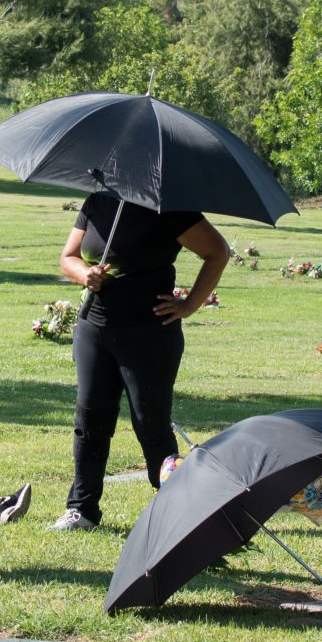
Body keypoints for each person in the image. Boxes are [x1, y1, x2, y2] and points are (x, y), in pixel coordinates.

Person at [52, 191, 227, 530]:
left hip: (149, 334)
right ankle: (82, 509)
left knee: (151, 424)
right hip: (95, 329)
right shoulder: (98, 202)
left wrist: (189, 305)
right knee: (89, 419)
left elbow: (217, 251)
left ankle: (177, 512)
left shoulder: (171, 207)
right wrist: (85, 273)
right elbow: (68, 257)